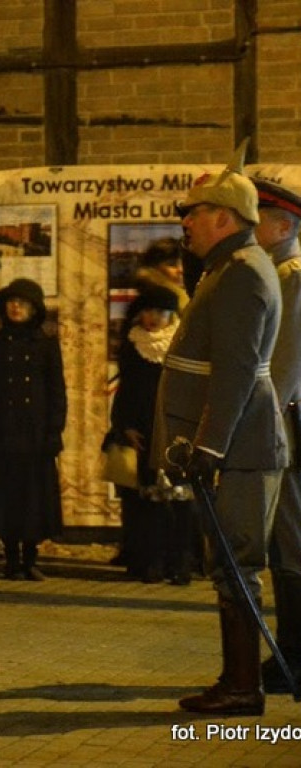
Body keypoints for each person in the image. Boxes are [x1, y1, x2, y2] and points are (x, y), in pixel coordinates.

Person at [158, 143, 287, 716]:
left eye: (194, 212)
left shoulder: (240, 273)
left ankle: (243, 689)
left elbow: (235, 372)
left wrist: (209, 446)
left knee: (236, 563)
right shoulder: (228, 269)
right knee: (228, 565)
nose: (184, 222)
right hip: (234, 446)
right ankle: (236, 681)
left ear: (224, 219)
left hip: (239, 448)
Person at [0, 279, 66, 580]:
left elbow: (57, 392)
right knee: (7, 496)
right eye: (11, 302)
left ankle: (30, 557)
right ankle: (11, 557)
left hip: (35, 434)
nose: (16, 307)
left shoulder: (46, 345)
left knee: (33, 498)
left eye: (23, 303)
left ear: (34, 309)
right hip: (4, 433)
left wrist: (54, 431)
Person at [250, 176, 301, 694]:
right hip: (286, 423)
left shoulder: (294, 276)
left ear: (283, 225)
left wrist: (257, 427)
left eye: (259, 218)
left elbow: (283, 368)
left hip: (290, 425)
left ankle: (296, 654)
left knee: (293, 543)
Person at [106, 283, 193, 585]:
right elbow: (126, 390)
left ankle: (181, 564)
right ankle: (152, 561)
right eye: (148, 311)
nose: (153, 318)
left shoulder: (182, 341)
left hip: (176, 430)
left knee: (181, 502)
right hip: (144, 430)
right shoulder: (133, 344)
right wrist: (125, 426)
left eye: (160, 312)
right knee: (148, 503)